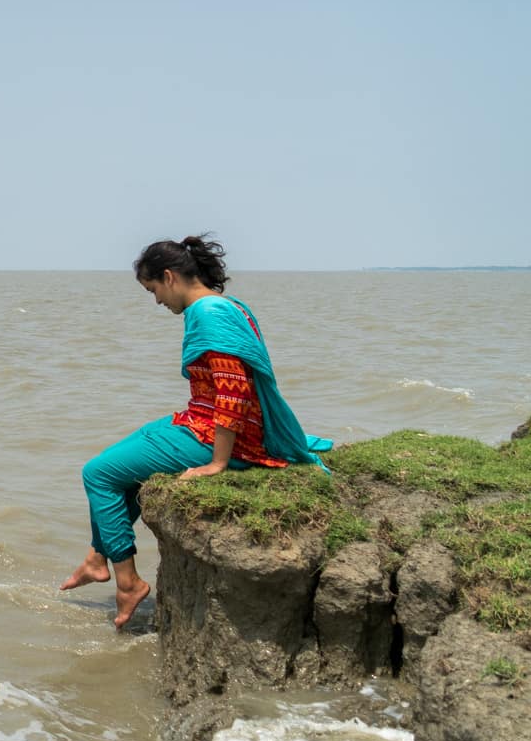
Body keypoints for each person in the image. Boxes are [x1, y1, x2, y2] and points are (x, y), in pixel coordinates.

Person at [59, 234, 331, 629]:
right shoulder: (226, 305)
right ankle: (96, 559)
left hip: (223, 437)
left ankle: (128, 582)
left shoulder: (208, 313)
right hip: (200, 420)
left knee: (97, 473)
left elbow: (233, 392)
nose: (156, 301)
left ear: (169, 277)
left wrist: (218, 463)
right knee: (123, 457)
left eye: (153, 290)